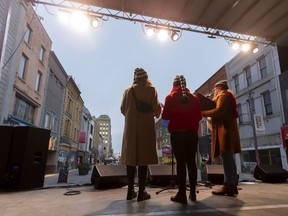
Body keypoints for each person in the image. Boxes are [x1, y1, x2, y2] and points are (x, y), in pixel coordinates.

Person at [120, 67, 162, 202]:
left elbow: (122, 109)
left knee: (131, 160)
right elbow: (156, 110)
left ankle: (129, 191)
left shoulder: (127, 91)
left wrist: (132, 114)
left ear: (135, 78)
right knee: (143, 161)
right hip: (146, 129)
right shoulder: (151, 89)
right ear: (146, 77)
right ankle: (141, 193)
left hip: (130, 129)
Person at [162, 75, 202, 204]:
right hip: (192, 134)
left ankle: (182, 194)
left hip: (178, 134)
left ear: (174, 85)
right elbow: (199, 117)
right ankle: (193, 194)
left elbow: (166, 116)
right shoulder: (194, 98)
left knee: (180, 164)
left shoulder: (170, 97)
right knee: (191, 163)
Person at [201, 80, 241, 197]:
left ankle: (228, 185)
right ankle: (232, 185)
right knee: (229, 159)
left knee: (227, 159)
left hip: (225, 132)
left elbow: (218, 111)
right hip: (226, 130)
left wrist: (203, 112)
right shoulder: (227, 96)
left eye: (214, 90)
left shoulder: (223, 96)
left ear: (218, 88)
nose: (214, 92)